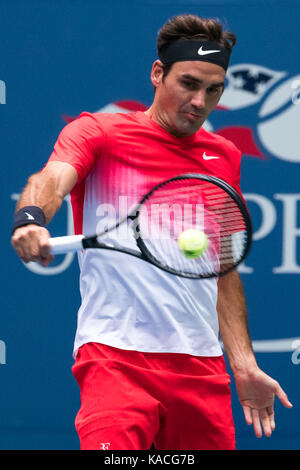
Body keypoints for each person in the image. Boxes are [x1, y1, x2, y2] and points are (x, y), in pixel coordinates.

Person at [11, 14, 292, 450]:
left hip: (202, 367)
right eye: (189, 83)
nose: (199, 101)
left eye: (213, 90)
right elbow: (51, 178)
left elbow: (222, 267)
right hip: (114, 358)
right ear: (158, 73)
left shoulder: (223, 157)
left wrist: (243, 363)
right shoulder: (98, 132)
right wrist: (31, 217)